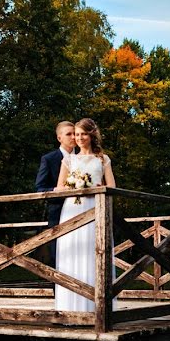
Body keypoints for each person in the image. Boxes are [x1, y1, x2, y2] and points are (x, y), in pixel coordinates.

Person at [53, 118, 117, 312]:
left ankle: (96, 305)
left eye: (83, 134)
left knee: (94, 251)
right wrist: (75, 184)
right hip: (72, 208)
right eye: (76, 134)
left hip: (94, 208)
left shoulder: (103, 159)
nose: (79, 138)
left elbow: (112, 186)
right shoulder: (69, 160)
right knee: (72, 253)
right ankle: (70, 306)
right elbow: (58, 188)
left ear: (91, 135)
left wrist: (95, 187)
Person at [35, 121, 76, 261]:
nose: (73, 137)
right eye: (68, 134)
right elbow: (39, 188)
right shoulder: (49, 159)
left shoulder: (85, 157)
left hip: (84, 211)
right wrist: (56, 190)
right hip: (58, 213)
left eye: (74, 133)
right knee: (59, 255)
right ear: (59, 138)